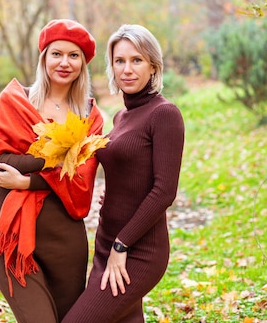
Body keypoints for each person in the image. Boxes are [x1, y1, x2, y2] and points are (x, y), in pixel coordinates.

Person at [62, 24, 185, 323]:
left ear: (153, 66)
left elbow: (164, 191)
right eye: (120, 61)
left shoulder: (164, 114)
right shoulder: (121, 115)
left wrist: (123, 244)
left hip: (137, 249)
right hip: (107, 241)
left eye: (136, 60)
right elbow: (129, 169)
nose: (127, 69)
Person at [0, 19, 103, 323]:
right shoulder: (15, 102)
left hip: (66, 241)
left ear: (83, 64)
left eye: (74, 56)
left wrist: (25, 181)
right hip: (12, 235)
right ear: (44, 58)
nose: (64, 63)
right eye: (56, 54)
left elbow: (81, 179)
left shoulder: (90, 116)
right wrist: (61, 157)